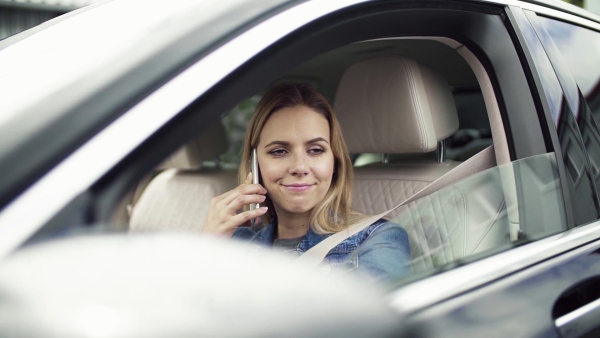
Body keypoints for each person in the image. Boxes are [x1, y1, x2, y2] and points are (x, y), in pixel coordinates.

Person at [202, 83, 410, 281]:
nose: (299, 167)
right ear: (255, 166)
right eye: (279, 151)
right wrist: (205, 249)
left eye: (316, 150)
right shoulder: (235, 242)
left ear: (334, 162)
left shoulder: (378, 239)